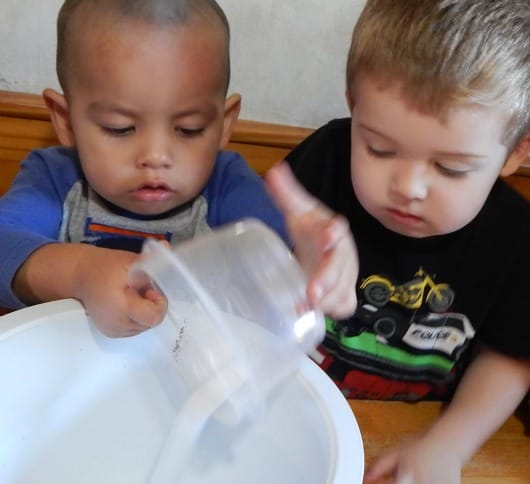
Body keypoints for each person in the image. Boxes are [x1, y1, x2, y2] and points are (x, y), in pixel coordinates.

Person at [284, 0, 530, 484]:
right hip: (295, 418)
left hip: (411, 437)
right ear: (353, 107)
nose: (408, 186)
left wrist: (448, 446)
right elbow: (256, 243)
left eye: (450, 168)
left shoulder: (513, 233)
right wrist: (300, 247)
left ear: (515, 150)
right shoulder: (325, 160)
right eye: (379, 148)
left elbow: (512, 356)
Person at [0, 0, 357, 337]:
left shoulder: (227, 187)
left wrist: (308, 267)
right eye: (119, 128)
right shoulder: (53, 179)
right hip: (67, 366)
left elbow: (269, 262)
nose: (156, 156)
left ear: (223, 124)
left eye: (189, 129)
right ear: (65, 120)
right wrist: (80, 271)